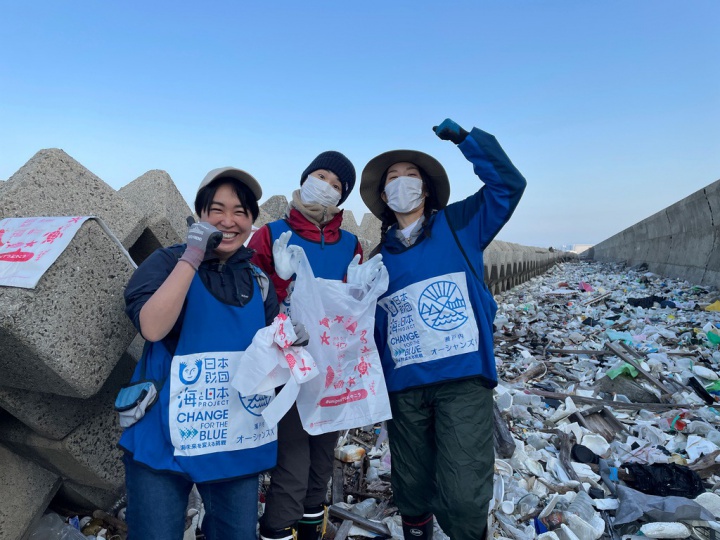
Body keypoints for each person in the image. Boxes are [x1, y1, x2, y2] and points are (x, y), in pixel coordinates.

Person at [359, 119, 527, 540]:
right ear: (382, 197)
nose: (402, 185)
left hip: (463, 380)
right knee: (412, 486)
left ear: (427, 189)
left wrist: (469, 141)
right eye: (392, 180)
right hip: (404, 387)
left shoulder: (461, 224)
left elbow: (508, 185)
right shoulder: (376, 260)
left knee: (464, 490)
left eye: (411, 177)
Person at [120, 167, 280, 540]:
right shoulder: (164, 262)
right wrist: (192, 255)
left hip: (233, 438)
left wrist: (291, 342)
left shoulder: (258, 281)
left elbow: (268, 353)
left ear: (252, 220)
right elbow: (153, 327)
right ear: (200, 215)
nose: (228, 221)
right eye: (216, 210)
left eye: (240, 212)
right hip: (161, 438)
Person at [248, 151, 362, 540]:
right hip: (288, 369)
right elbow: (252, 303)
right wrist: (280, 283)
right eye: (321, 176)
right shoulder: (271, 234)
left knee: (320, 465)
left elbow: (353, 311)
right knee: (293, 466)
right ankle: (277, 528)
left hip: (332, 369)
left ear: (343, 196)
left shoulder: (351, 244)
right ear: (305, 177)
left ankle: (311, 530)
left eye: (337, 184)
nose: (327, 187)